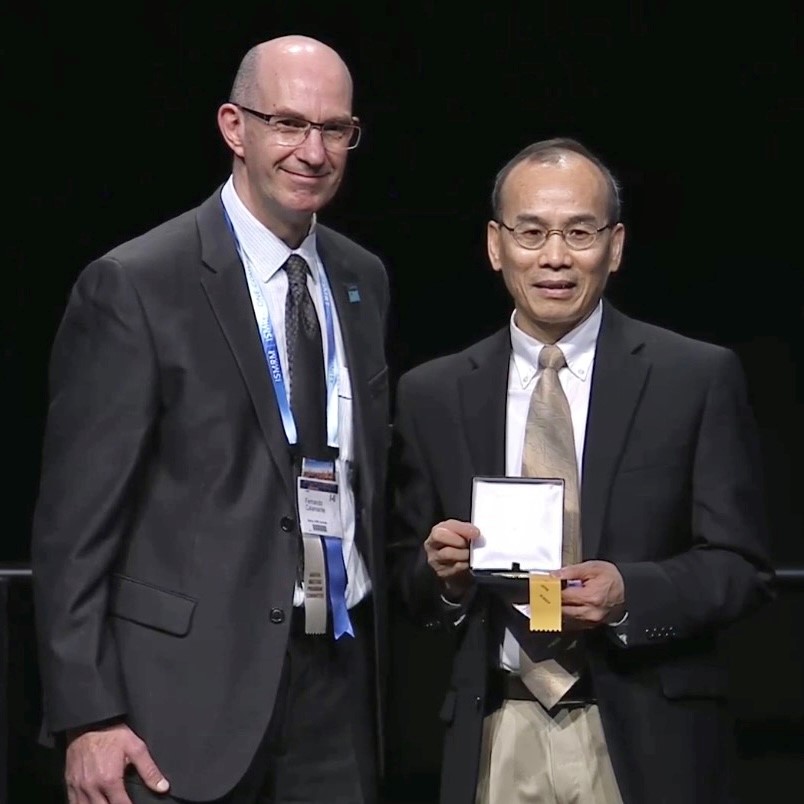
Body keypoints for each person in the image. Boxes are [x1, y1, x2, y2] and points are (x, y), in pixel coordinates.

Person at [32, 35, 391, 804]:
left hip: (334, 683)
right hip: (181, 702)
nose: (314, 151)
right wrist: (88, 714)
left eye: (335, 129)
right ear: (235, 127)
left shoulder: (363, 279)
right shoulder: (136, 285)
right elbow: (73, 530)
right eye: (289, 123)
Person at [389, 137, 773, 804]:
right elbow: (407, 584)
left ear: (615, 246)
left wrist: (633, 593)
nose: (555, 257)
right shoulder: (433, 394)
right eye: (531, 232)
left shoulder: (694, 378)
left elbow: (743, 568)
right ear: (494, 244)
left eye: (580, 232)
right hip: (495, 733)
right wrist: (442, 580)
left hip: (643, 736)